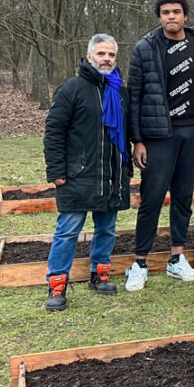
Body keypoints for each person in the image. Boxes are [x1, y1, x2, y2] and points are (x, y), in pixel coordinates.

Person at [126, 0, 194, 291]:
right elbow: (134, 96)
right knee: (151, 199)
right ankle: (139, 263)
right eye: (165, 12)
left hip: (192, 132)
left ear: (186, 16)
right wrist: (137, 140)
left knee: (182, 197)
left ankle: (177, 259)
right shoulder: (145, 48)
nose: (171, 17)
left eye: (177, 11)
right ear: (159, 17)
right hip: (158, 135)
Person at [42, 34, 132, 311]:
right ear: (90, 55)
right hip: (78, 174)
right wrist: (57, 170)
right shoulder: (71, 89)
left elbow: (126, 132)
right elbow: (54, 132)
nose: (106, 59)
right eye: (101, 54)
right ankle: (57, 285)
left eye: (111, 55)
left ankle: (100, 274)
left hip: (112, 174)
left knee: (107, 228)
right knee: (68, 231)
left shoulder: (120, 90)